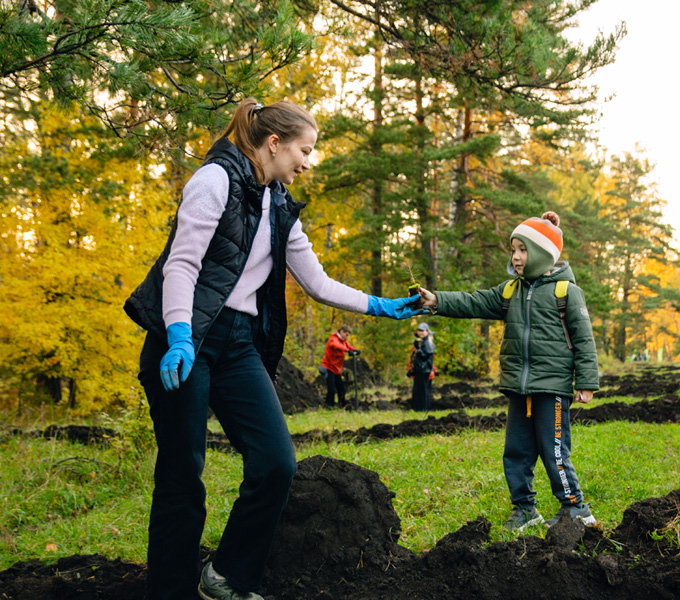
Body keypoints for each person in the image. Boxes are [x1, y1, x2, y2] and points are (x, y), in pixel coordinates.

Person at [123, 98, 421, 600]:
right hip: (187, 336)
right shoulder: (215, 179)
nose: (308, 162)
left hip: (239, 343)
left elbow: (317, 281)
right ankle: (169, 590)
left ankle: (228, 577)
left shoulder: (279, 203)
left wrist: (379, 305)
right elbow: (183, 265)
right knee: (182, 471)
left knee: (276, 461)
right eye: (304, 150)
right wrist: (177, 335)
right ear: (275, 143)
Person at [418, 211, 599, 531]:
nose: (515, 256)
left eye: (523, 249)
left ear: (541, 253)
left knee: (554, 450)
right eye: (513, 249)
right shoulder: (510, 291)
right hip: (519, 386)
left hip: (552, 387)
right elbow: (472, 302)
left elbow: (584, 339)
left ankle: (575, 507)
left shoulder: (566, 292)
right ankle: (525, 509)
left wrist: (585, 382)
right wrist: (436, 300)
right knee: (516, 450)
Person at [320, 325, 359, 408]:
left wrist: (354, 350)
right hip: (328, 367)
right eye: (346, 335)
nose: (347, 337)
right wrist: (348, 351)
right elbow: (337, 346)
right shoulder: (333, 339)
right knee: (332, 389)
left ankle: (342, 404)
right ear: (341, 332)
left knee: (341, 388)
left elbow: (348, 346)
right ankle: (329, 405)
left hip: (336, 369)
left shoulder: (344, 341)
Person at [407, 322, 435, 411]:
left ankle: (424, 409)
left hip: (424, 370)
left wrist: (418, 350)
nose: (420, 332)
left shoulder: (428, 343)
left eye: (422, 331)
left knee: (423, 391)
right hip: (419, 369)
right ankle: (418, 408)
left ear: (427, 332)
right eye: (419, 330)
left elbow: (426, 356)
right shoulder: (422, 341)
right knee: (418, 390)